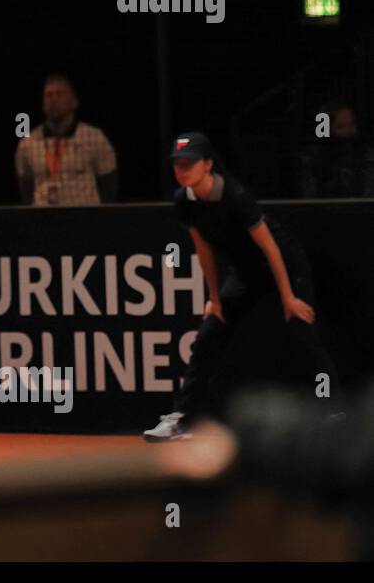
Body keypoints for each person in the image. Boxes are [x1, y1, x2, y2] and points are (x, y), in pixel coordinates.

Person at [143, 132, 340, 441]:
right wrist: (214, 300)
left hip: (283, 264)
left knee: (302, 331)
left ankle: (333, 413)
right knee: (208, 334)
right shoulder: (184, 200)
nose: (182, 170)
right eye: (177, 164)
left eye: (189, 163)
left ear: (208, 164)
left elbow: (270, 248)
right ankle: (181, 419)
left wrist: (289, 298)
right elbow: (204, 250)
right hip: (243, 272)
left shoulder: (235, 195)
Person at [15, 74, 117, 206]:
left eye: (59, 94)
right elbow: (25, 185)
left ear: (74, 102)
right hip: (43, 219)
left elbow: (109, 184)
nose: (53, 99)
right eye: (49, 95)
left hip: (83, 218)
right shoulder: (28, 142)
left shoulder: (94, 137)